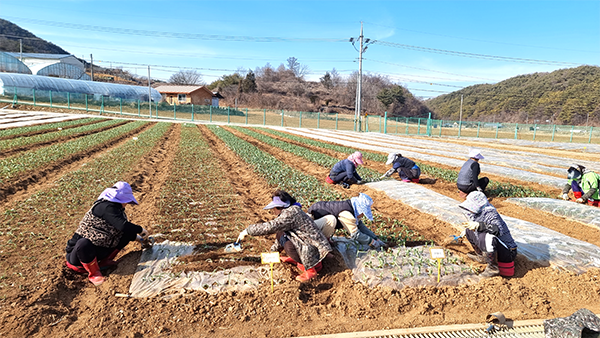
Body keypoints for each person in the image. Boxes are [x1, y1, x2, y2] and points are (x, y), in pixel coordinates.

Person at [236, 190, 332, 282]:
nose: (273, 211)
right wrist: (273, 252)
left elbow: (270, 226)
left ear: (279, 207)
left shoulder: (290, 214)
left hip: (313, 251)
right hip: (309, 245)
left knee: (289, 246)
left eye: (274, 208)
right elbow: (280, 232)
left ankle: (310, 271)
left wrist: (247, 231)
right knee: (282, 234)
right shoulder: (291, 210)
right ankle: (299, 260)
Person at [65, 182, 149, 286]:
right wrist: (140, 229)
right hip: (79, 257)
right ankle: (94, 273)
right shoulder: (106, 207)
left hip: (100, 248)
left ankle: (104, 261)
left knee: (126, 234)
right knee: (83, 243)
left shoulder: (117, 210)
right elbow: (122, 226)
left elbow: (123, 230)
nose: (126, 203)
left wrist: (140, 239)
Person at [458, 191, 518, 278]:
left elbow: (497, 230)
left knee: (486, 236)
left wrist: (479, 225)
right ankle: (482, 257)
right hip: (495, 247)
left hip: (507, 251)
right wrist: (468, 231)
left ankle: (492, 268)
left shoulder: (490, 213)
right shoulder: (477, 213)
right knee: (469, 231)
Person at [307, 193, 386, 249]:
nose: (363, 216)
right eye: (363, 213)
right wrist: (372, 242)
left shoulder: (352, 208)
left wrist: (376, 238)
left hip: (317, 220)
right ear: (359, 209)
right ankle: (322, 242)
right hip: (310, 225)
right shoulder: (347, 214)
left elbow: (361, 226)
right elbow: (355, 235)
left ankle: (325, 239)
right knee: (331, 219)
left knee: (331, 220)